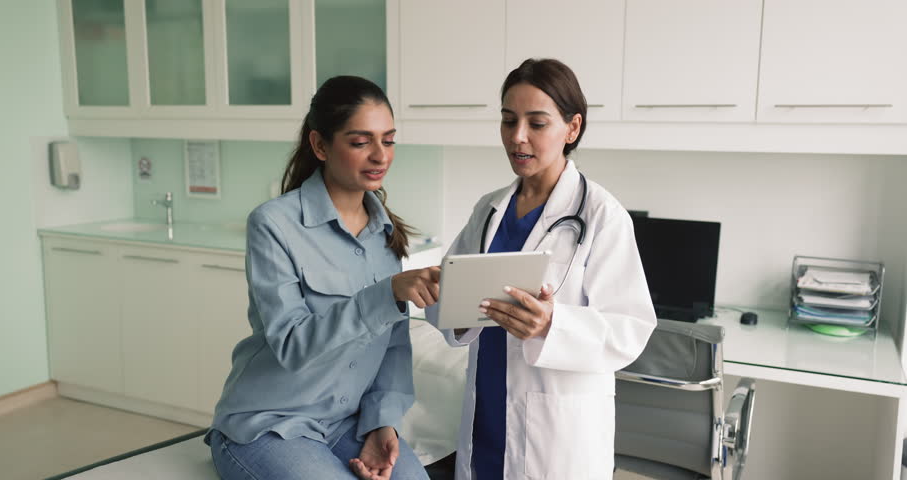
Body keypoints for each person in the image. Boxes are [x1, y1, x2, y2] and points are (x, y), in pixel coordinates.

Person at [426, 58, 657, 479]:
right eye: (508, 120)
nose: (518, 138)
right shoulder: (489, 209)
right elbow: (447, 306)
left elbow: (631, 329)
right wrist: (451, 310)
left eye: (537, 123)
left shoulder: (602, 214)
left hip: (556, 432)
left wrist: (554, 323)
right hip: (487, 412)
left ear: (572, 128)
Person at [206, 75, 437, 480]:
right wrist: (386, 294)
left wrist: (381, 422)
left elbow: (393, 348)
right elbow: (293, 345)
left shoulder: (386, 235)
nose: (380, 155)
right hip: (267, 424)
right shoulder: (274, 224)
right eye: (361, 141)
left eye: (389, 139)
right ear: (320, 145)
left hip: (345, 423)